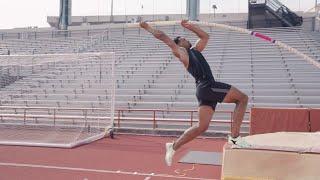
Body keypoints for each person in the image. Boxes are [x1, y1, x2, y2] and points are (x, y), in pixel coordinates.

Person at [140, 20, 250, 166]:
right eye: (183, 39)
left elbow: (205, 36)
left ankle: (173, 146)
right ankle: (235, 137)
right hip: (208, 85)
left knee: (202, 126)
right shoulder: (182, 53)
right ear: (179, 44)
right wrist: (146, 26)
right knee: (242, 99)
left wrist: (190, 27)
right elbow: (163, 36)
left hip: (203, 89)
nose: (186, 39)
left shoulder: (195, 51)